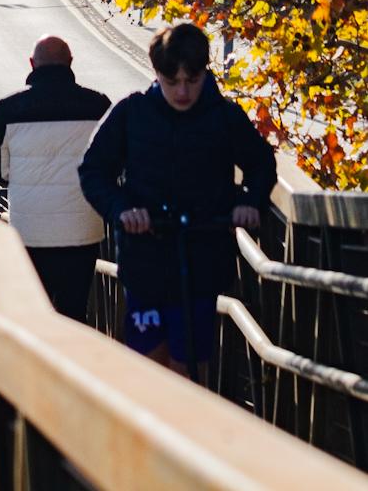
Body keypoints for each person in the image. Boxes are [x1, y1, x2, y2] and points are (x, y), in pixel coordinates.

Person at [79, 22, 276, 379]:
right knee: (148, 363)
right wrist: (121, 209)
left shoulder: (224, 116)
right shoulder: (132, 113)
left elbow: (261, 164)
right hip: (146, 259)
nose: (183, 91)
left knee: (191, 364)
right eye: (172, 83)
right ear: (157, 74)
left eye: (192, 80)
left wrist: (250, 201)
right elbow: (93, 171)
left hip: (202, 257)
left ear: (204, 72)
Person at [0, 35, 112, 320]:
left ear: (32, 64)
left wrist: (22, 181)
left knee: (32, 313)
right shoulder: (98, 106)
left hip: (29, 229)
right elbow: (114, 161)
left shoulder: (8, 109)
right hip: (81, 229)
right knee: (74, 312)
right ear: (70, 63)